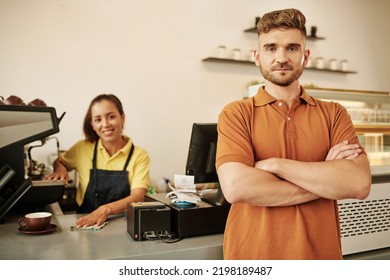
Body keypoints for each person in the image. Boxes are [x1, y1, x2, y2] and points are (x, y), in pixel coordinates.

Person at [215, 8, 371, 259]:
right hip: (254, 259)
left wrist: (274, 165)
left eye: (291, 48)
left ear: (305, 56)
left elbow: (359, 184)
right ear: (257, 56)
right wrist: (325, 177)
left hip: (321, 258)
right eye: (271, 48)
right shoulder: (236, 114)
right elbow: (237, 188)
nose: (281, 57)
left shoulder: (334, 114)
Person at [45, 94, 150, 228]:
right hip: (85, 223)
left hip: (122, 225)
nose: (105, 124)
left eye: (111, 116)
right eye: (98, 119)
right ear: (92, 125)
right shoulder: (82, 148)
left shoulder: (139, 155)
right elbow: (60, 161)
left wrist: (105, 209)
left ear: (122, 118)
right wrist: (60, 168)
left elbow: (138, 197)